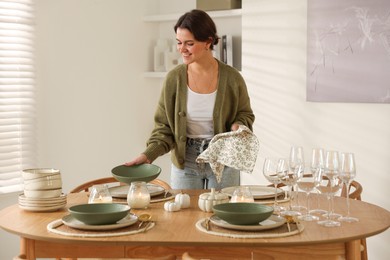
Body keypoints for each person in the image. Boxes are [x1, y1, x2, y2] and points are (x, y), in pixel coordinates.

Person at [125, 9, 254, 189]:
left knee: (221, 214)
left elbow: (245, 114)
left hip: (224, 160)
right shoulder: (173, 79)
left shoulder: (232, 78)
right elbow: (164, 128)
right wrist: (148, 155)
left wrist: (237, 125)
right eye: (179, 42)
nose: (182, 49)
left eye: (189, 43)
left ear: (208, 41)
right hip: (185, 161)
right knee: (182, 214)